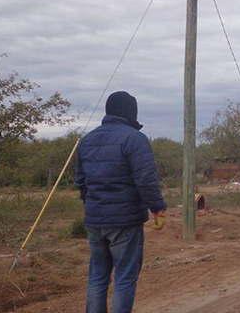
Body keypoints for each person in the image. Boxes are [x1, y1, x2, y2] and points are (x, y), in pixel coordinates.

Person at [75, 91, 166, 313]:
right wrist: (157, 207)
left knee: (97, 277)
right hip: (125, 221)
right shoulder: (134, 139)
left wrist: (94, 206)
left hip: (95, 221)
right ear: (130, 112)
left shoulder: (87, 140)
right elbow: (145, 180)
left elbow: (80, 181)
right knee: (124, 278)